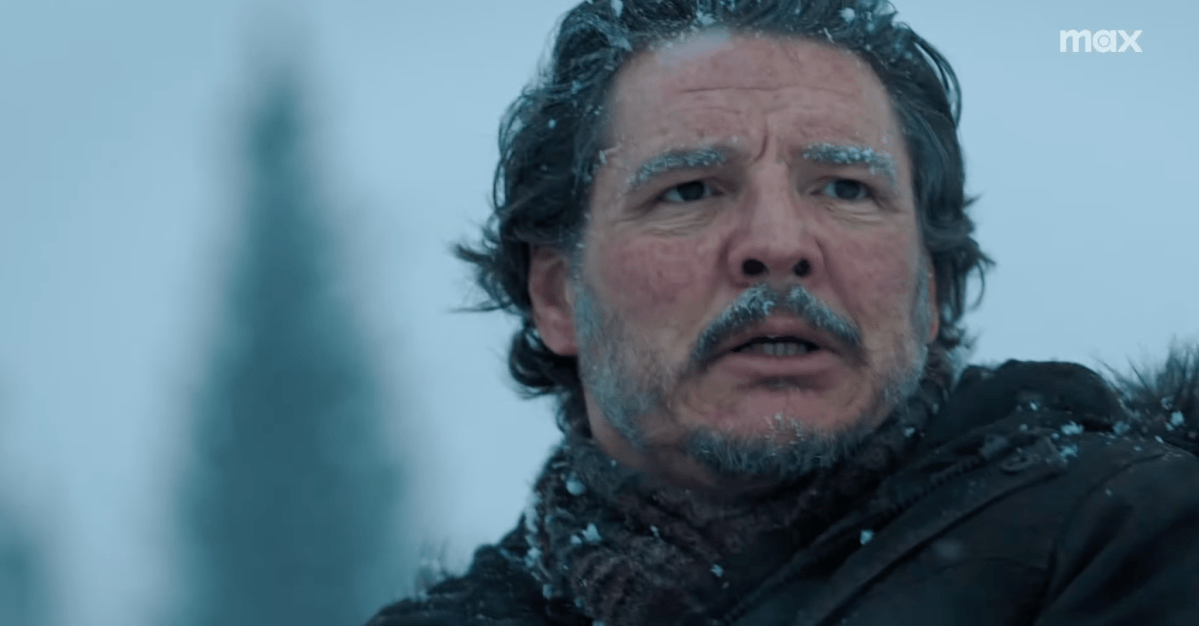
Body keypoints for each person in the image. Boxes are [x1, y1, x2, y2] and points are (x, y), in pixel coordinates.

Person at [367, 1, 1199, 624]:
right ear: (556, 295)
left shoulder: (1130, 539)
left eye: (844, 188)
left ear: (931, 287)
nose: (776, 243)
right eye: (689, 190)